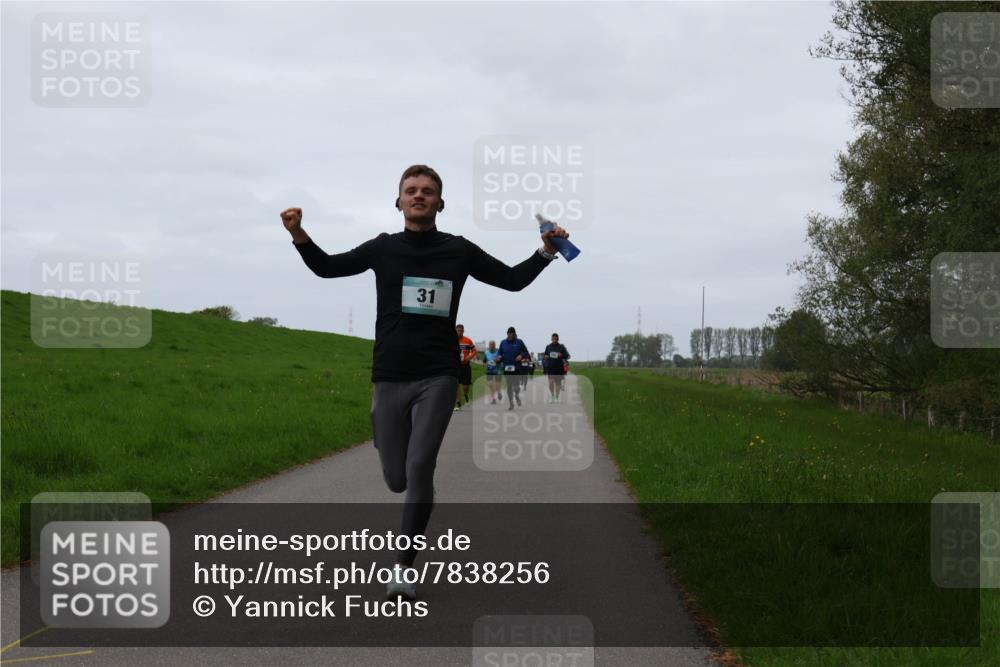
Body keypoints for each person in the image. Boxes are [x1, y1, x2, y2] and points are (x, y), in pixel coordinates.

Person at [282, 165, 569, 601]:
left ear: (440, 203)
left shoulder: (458, 251)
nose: (419, 196)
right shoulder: (382, 249)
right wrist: (298, 233)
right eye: (411, 190)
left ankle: (403, 566)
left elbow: (511, 281)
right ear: (398, 201)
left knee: (420, 468)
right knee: (397, 478)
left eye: (428, 191)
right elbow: (327, 268)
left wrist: (545, 252)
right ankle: (399, 459)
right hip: (389, 374)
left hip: (438, 374)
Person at [497, 326, 530, 410]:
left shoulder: (519, 342)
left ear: (515, 334)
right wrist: (499, 357)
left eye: (512, 333)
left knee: (516, 386)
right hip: (507, 368)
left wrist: (521, 355)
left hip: (517, 368)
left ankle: (517, 395)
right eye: (509, 333)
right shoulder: (503, 342)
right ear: (507, 334)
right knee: (509, 386)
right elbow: (499, 353)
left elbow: (526, 353)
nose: (511, 335)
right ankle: (511, 403)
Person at [454, 324, 477, 411]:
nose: (459, 332)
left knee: (466, 386)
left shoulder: (468, 340)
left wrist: (469, 357)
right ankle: (458, 403)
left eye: (461, 330)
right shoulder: (452, 340)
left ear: (463, 331)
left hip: (466, 366)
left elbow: (474, 350)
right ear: (455, 331)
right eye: (458, 330)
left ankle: (466, 396)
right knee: (456, 385)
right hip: (456, 366)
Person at [543, 333, 571, 402]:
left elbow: (567, 356)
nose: (554, 340)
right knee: (551, 382)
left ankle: (557, 396)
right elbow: (545, 355)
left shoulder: (561, 347)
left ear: (558, 339)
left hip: (559, 368)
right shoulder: (548, 347)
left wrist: (561, 355)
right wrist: (546, 356)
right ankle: (552, 395)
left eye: (556, 338)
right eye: (553, 338)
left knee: (558, 384)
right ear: (551, 339)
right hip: (551, 367)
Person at [483, 340, 503, 404]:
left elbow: (501, 360)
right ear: (488, 345)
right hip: (489, 370)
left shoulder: (498, 352)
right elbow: (484, 360)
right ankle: (493, 399)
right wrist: (484, 364)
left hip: (498, 370)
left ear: (495, 345)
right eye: (490, 344)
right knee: (490, 384)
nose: (491, 346)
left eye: (492, 344)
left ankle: (499, 392)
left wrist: (498, 360)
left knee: (497, 386)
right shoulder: (486, 353)